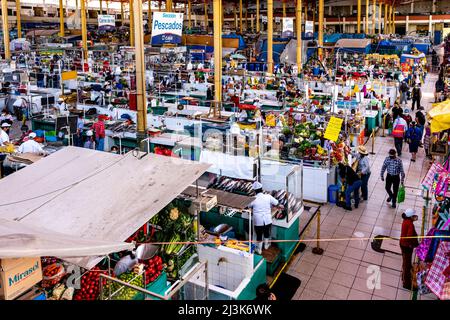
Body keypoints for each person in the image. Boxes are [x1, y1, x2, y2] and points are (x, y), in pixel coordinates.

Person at [248, 181, 283, 254]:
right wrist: (281, 207)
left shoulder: (253, 199)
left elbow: (248, 206)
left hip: (258, 221)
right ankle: (266, 246)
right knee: (267, 233)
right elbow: (277, 204)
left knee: (259, 235)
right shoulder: (268, 196)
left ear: (254, 191)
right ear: (261, 189)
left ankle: (259, 249)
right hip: (267, 220)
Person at [400, 208, 419, 290]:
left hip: (402, 244)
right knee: (407, 265)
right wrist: (413, 244)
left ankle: (404, 276)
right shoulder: (410, 224)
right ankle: (406, 283)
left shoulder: (405, 221)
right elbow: (409, 237)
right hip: (407, 246)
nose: (415, 217)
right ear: (411, 217)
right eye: (414, 216)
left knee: (405, 261)